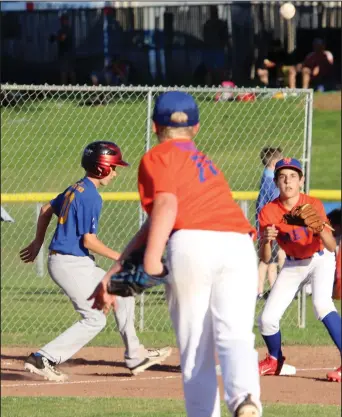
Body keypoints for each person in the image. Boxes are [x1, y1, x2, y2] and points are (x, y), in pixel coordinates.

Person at [91, 92, 262, 417]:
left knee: (196, 346)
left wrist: (153, 260)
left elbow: (166, 207)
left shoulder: (158, 155)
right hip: (239, 246)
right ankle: (245, 400)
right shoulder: (206, 162)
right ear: (195, 128)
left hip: (192, 243)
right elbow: (159, 219)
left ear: (155, 126)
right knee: (236, 334)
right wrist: (115, 269)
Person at [20, 141, 171, 382]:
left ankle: (135, 354)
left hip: (75, 262)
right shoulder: (91, 196)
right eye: (113, 167)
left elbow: (47, 208)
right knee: (94, 319)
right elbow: (89, 241)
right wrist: (121, 257)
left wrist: (38, 243)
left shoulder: (76, 188)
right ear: (101, 168)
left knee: (121, 290)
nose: (116, 173)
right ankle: (42, 358)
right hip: (70, 264)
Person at [257, 157, 341, 382]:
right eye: (282, 177)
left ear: (301, 181)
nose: (288, 181)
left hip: (320, 257)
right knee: (266, 319)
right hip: (293, 263)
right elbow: (265, 258)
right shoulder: (268, 211)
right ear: (276, 182)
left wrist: (320, 228)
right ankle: (275, 360)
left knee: (322, 304)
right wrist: (265, 240)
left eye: (293, 176)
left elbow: (332, 246)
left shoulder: (313, 204)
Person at [256, 147, 284, 300]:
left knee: (271, 260)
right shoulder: (271, 181)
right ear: (274, 163)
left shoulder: (267, 177)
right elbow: (275, 202)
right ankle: (259, 290)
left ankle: (272, 289)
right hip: (269, 225)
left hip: (269, 225)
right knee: (266, 261)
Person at [49, 13, 76, 85]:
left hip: (67, 54)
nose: (62, 21)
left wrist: (55, 37)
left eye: (63, 20)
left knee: (66, 71)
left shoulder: (67, 29)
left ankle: (68, 87)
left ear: (66, 20)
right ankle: (68, 88)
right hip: (64, 53)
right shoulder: (62, 29)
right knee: (67, 71)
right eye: (61, 20)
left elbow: (62, 38)